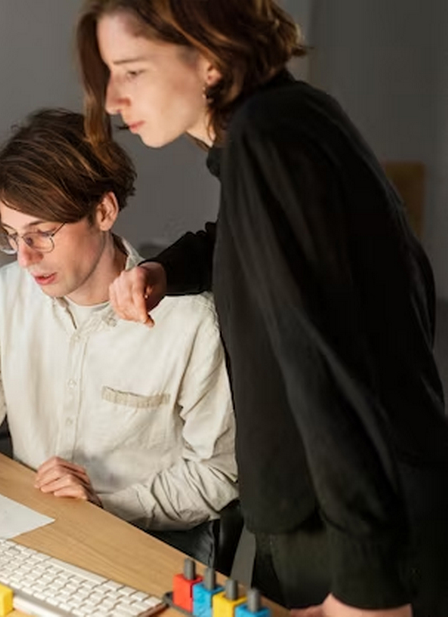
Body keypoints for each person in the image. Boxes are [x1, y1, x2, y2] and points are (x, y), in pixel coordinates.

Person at [76, 1, 448, 615]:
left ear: (211, 58)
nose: (113, 99)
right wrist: (168, 270)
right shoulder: (288, 121)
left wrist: (366, 586)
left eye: (133, 71)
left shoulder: (266, 143)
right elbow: (253, 242)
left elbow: (326, 362)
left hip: (357, 526)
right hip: (353, 508)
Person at [0, 109, 238, 563]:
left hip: (144, 546)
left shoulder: (187, 319)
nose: (26, 259)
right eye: (12, 236)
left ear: (104, 211)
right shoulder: (1, 297)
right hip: (31, 533)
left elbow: (218, 473)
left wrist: (107, 506)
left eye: (43, 234)